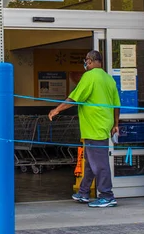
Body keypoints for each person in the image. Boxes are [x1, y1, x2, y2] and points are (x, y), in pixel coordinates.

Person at [48, 50, 121, 208]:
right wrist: (115, 124)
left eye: (86, 61)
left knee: (99, 164)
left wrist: (56, 110)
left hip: (94, 127)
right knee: (90, 162)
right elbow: (116, 105)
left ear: (89, 61)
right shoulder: (109, 79)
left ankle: (107, 195)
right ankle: (83, 192)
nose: (85, 64)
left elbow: (74, 98)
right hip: (103, 125)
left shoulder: (89, 77)